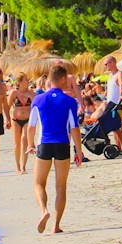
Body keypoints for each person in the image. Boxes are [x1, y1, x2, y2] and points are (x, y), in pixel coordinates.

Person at [30, 64, 82, 233]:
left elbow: (31, 125)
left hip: (44, 144)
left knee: (39, 183)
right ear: (61, 79)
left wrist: (30, 144)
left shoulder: (38, 100)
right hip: (62, 144)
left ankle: (44, 210)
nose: (68, 81)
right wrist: (79, 151)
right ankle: (56, 226)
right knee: (60, 186)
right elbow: (74, 128)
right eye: (66, 78)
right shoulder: (69, 101)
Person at [99, 55, 122, 156]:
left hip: (118, 104)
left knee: (116, 127)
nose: (106, 66)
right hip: (111, 104)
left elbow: (121, 84)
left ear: (112, 63)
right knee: (114, 127)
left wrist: (121, 95)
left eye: (107, 64)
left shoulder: (119, 73)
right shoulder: (110, 76)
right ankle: (118, 148)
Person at [9, 73, 35, 175]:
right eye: (25, 80)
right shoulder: (14, 93)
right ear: (19, 82)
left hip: (28, 119)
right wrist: (6, 119)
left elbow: (37, 104)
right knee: (17, 143)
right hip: (16, 119)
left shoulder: (31, 92)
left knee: (25, 139)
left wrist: (30, 97)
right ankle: (18, 166)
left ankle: (24, 166)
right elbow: (7, 106)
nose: (27, 81)